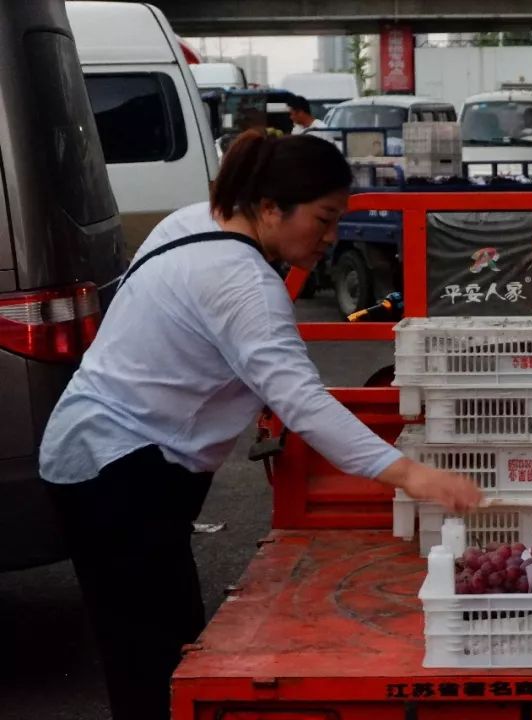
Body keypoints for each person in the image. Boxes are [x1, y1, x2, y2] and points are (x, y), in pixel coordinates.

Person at [39, 131, 483, 720]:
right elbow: (302, 403)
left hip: (97, 451)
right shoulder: (244, 283)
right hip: (119, 471)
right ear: (271, 207)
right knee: (152, 660)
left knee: (158, 646)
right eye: (323, 219)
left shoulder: (194, 221)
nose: (331, 239)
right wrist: (410, 475)